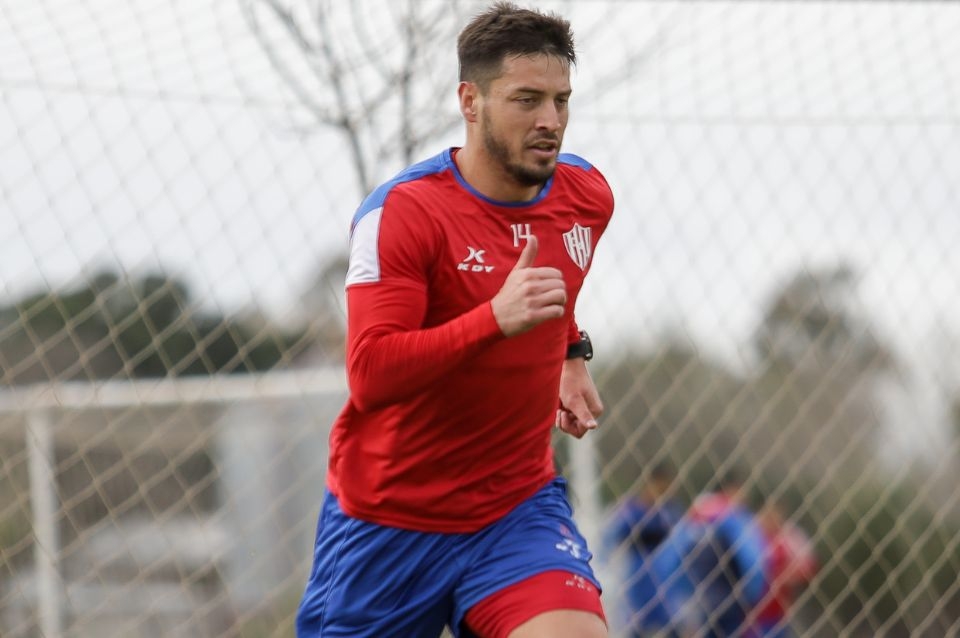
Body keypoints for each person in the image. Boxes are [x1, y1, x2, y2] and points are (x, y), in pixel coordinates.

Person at [295, 3, 615, 637]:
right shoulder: (403, 213)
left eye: (561, 101)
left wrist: (569, 351)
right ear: (471, 101)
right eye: (526, 100)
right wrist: (493, 318)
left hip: (516, 511)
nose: (550, 121)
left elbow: (556, 281)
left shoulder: (587, 197)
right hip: (388, 521)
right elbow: (371, 373)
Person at [653, 469, 768, 638]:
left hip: (688, 599)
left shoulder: (697, 511)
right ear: (735, 489)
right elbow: (752, 560)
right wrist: (752, 594)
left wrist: (669, 592)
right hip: (725, 600)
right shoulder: (736, 516)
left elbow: (667, 557)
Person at [604, 463, 684, 637]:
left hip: (666, 579)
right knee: (637, 627)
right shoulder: (630, 509)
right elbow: (610, 538)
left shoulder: (671, 511)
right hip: (637, 578)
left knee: (673, 627)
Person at [753, 499, 818, 638]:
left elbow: (808, 566)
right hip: (747, 613)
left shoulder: (790, 536)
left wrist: (782, 576)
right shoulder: (751, 533)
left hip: (776, 616)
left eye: (776, 512)